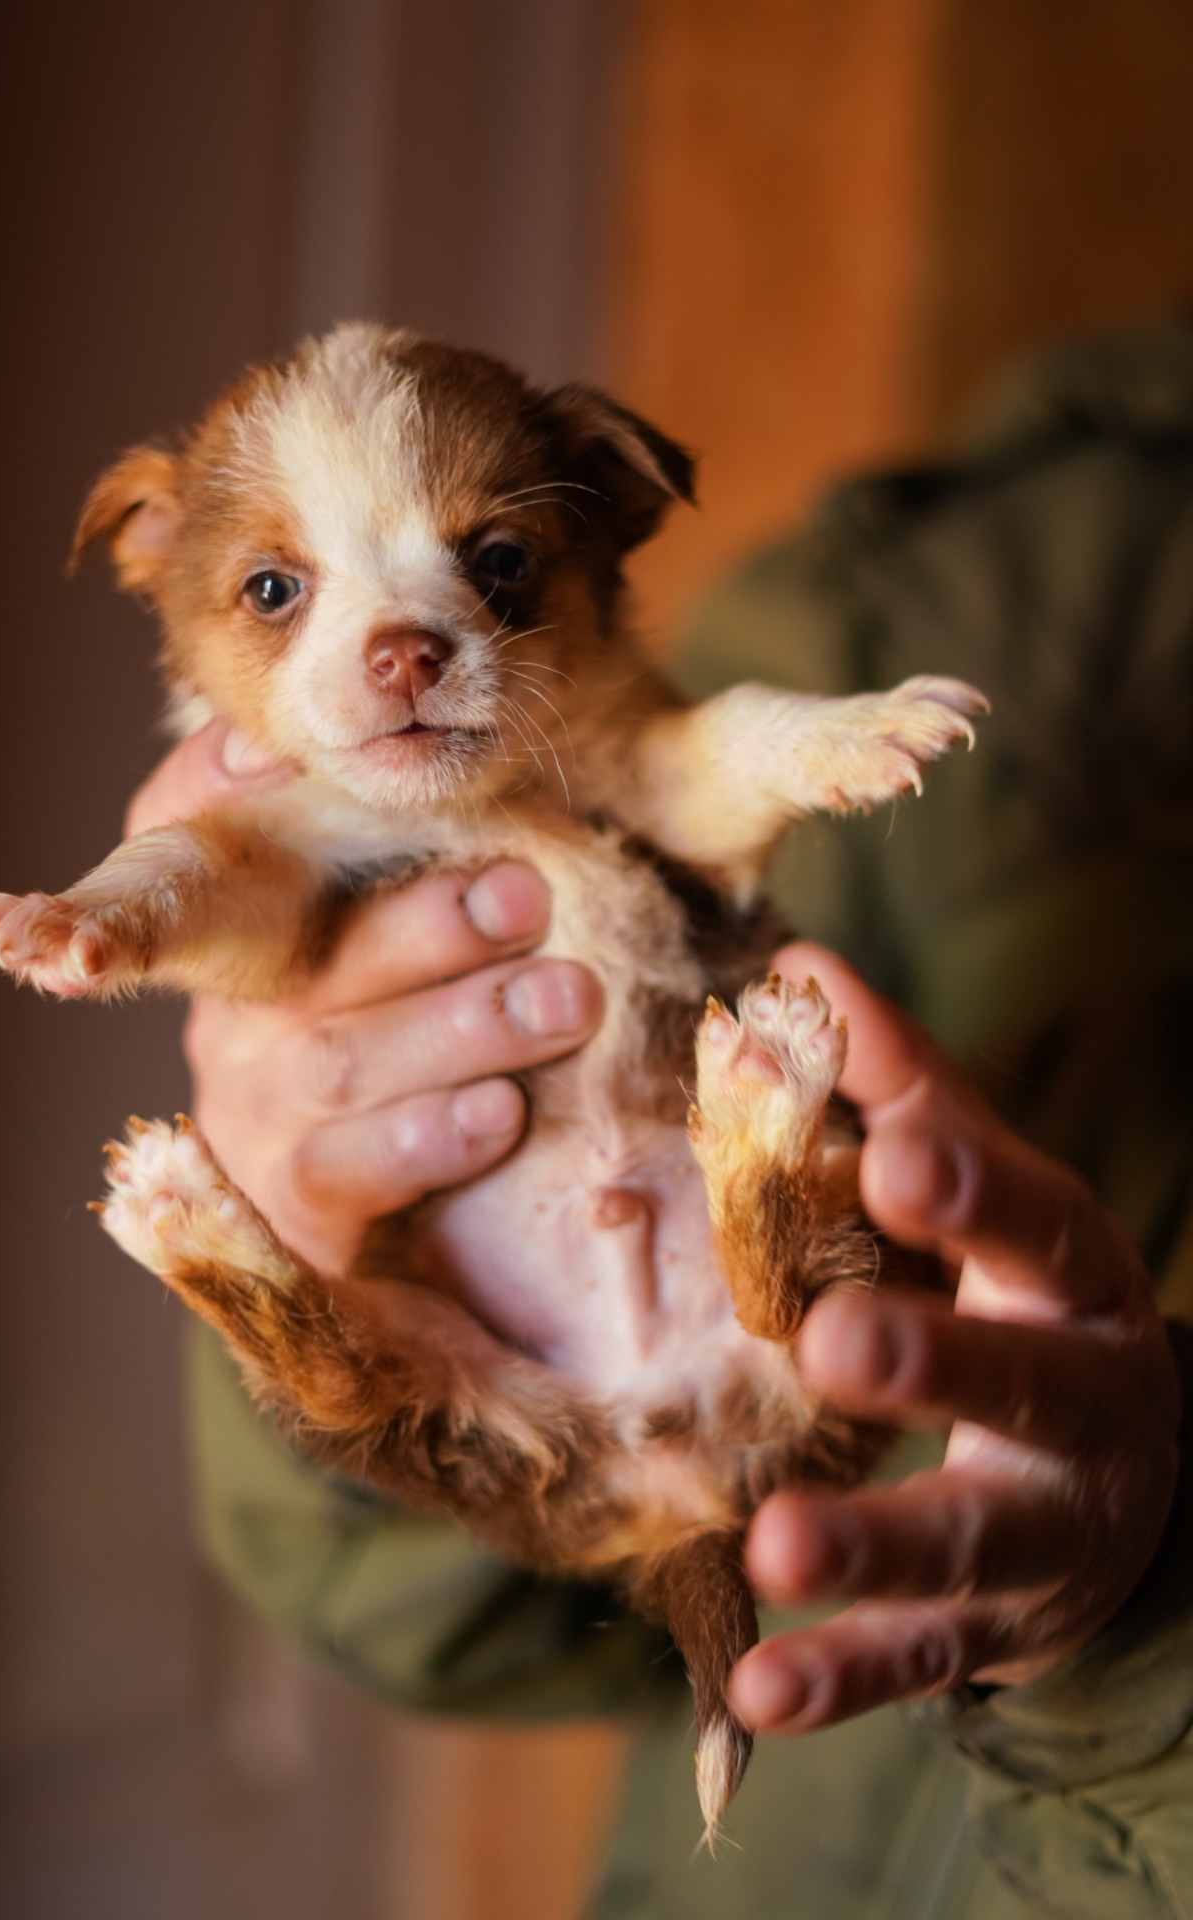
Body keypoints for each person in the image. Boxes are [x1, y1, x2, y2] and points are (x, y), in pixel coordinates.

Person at [127, 316, 1193, 1916]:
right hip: (573, 1394)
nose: (404, 644)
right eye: (277, 591)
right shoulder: (950, 559)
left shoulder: (743, 640)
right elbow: (448, 1602)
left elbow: (689, 757)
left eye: (489, 565)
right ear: (165, 567)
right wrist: (302, 1170)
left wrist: (1144, 1641)